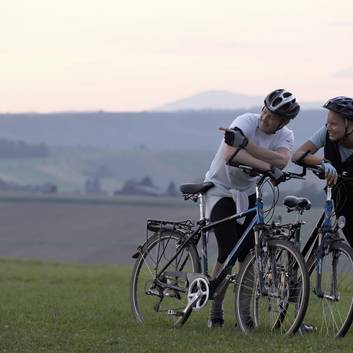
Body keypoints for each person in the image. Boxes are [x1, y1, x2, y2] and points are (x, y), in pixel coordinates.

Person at [204, 89, 300, 328]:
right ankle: (215, 311)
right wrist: (267, 165)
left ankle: (244, 314)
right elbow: (229, 154)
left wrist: (246, 147)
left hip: (247, 193)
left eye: (273, 116)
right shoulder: (245, 121)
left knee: (249, 255)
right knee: (228, 250)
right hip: (219, 189)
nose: (265, 117)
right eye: (265, 110)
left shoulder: (286, 136)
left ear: (284, 122)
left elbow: (282, 160)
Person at [292, 96, 353, 248]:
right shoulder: (326, 133)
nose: (329, 127)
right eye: (328, 123)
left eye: (334, 124)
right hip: (341, 198)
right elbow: (297, 155)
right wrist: (323, 162)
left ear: (350, 125)